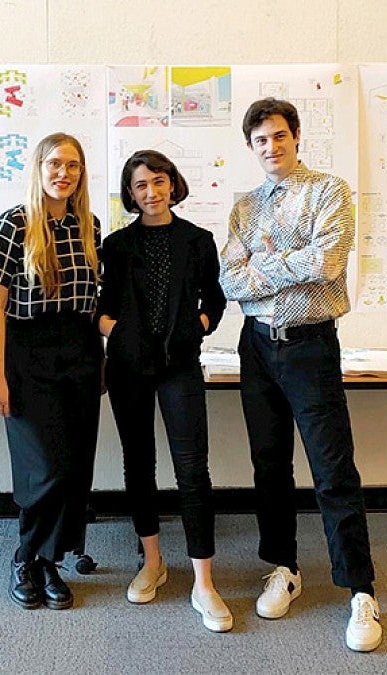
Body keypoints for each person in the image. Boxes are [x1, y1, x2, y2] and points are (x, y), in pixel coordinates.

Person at [220, 97, 380, 652]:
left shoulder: (329, 191)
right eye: (260, 140)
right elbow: (228, 279)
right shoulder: (244, 207)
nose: (271, 147)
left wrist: (262, 266)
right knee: (269, 464)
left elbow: (327, 263)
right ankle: (283, 566)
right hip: (256, 348)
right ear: (251, 147)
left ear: (296, 137)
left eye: (279, 136)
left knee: (333, 468)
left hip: (310, 348)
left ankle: (361, 590)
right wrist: (283, 266)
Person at [98, 150, 230, 631]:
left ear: (173, 183)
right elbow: (102, 305)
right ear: (130, 194)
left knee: (193, 469)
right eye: (140, 185)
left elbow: (214, 298)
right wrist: (117, 331)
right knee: (139, 464)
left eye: (158, 181)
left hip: (180, 367)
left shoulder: (198, 240)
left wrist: (198, 325)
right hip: (129, 368)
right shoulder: (116, 245)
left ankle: (204, 581)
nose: (151, 192)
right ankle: (152, 562)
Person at [0, 132, 103, 611]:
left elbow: (92, 305)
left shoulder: (87, 225)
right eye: (54, 164)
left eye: (72, 165)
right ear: (38, 168)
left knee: (73, 467)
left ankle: (48, 562)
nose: (63, 173)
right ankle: (25, 556)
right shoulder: (13, 225)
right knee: (44, 468)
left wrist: (102, 361)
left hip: (80, 352)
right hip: (28, 354)